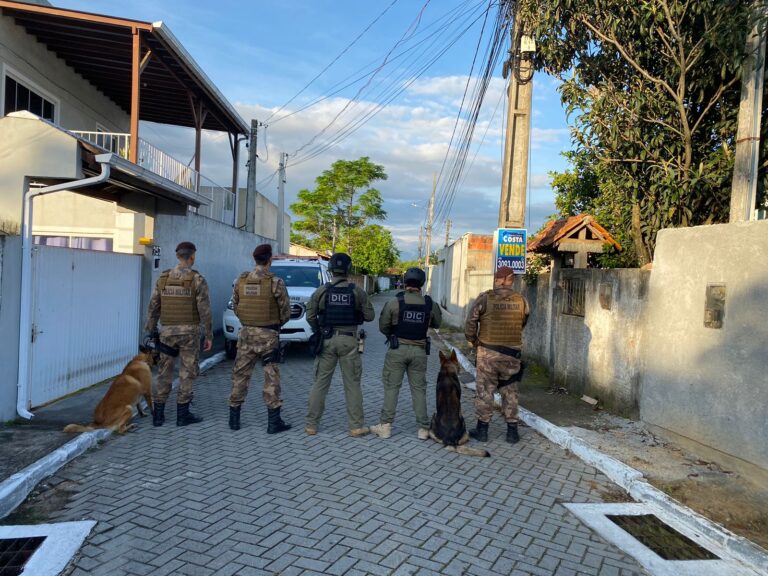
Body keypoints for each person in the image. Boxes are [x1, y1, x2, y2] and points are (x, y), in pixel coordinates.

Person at [305, 252, 375, 437]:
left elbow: (310, 316)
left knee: (320, 383)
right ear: (348, 270)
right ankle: (356, 427)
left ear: (330, 269)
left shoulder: (321, 291)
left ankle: (311, 426)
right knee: (352, 385)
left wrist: (320, 330)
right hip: (349, 341)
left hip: (327, 341)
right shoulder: (357, 291)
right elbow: (370, 316)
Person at [145, 241, 212, 427]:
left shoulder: (164, 278)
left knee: (163, 372)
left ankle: (158, 416)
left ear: (177, 256)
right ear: (193, 256)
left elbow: (153, 306)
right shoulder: (197, 279)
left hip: (167, 332)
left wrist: (150, 329)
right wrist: (208, 335)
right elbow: (205, 310)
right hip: (189, 334)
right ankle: (182, 415)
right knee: (187, 372)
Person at [370, 267, 441, 440]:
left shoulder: (395, 302)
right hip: (419, 352)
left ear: (404, 281)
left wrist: (393, 333)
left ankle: (385, 426)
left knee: (392, 387)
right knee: (419, 389)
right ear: (422, 283)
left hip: (397, 350)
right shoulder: (429, 304)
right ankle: (423, 429)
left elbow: (383, 326)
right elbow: (437, 323)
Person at [227, 244, 291, 433]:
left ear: (254, 259)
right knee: (271, 377)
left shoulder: (241, 280)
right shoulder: (275, 282)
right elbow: (286, 311)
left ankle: (234, 421)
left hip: (246, 334)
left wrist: (248, 322)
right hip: (269, 336)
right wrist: (275, 324)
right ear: (270, 260)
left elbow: (236, 306)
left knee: (240, 376)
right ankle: (273, 423)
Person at [464, 266, 529, 444]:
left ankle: (482, 431)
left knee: (485, 391)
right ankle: (512, 433)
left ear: (497, 280)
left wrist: (474, 341)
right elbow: (523, 322)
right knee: (510, 392)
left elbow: (470, 323)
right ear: (511, 281)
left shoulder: (485, 298)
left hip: (487, 353)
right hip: (512, 354)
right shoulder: (521, 300)